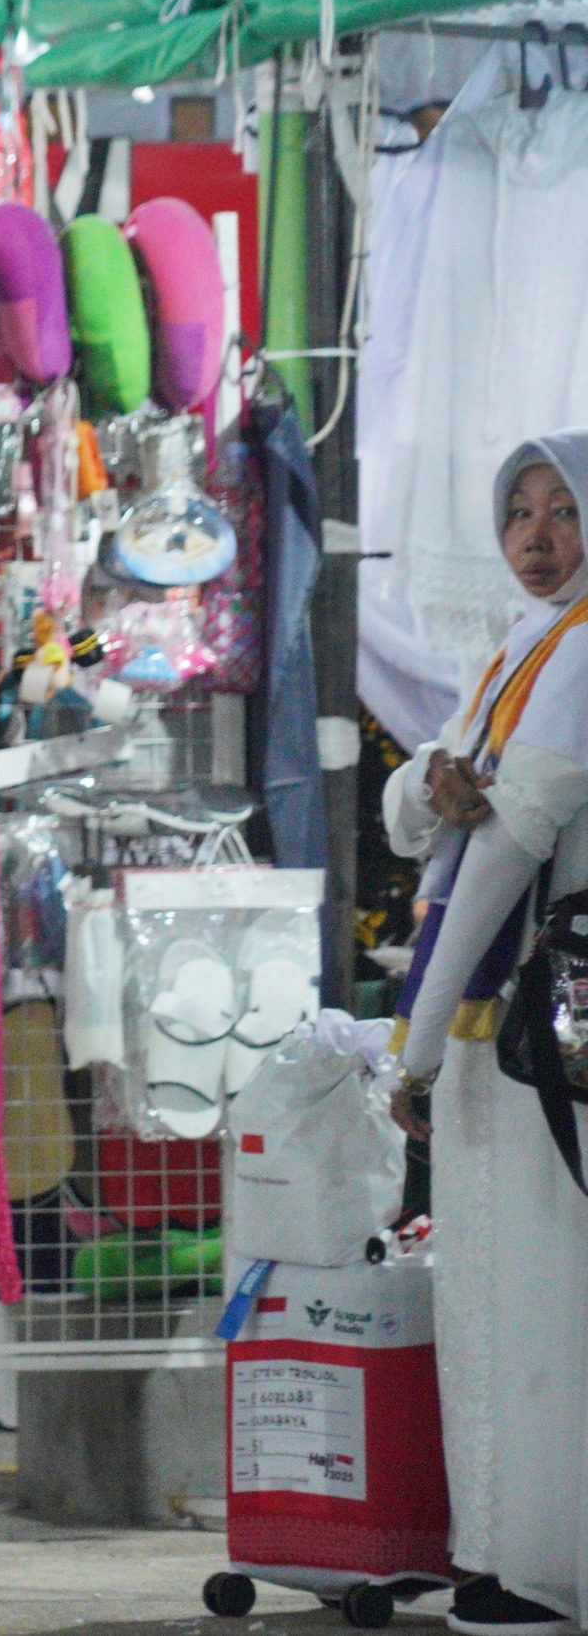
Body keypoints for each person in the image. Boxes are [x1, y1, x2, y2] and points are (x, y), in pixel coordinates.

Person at [384, 432, 588, 1636]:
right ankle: (510, 1547)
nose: (536, 536)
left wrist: (412, 1047)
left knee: (543, 1287)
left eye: (563, 509)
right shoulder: (522, 646)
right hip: (504, 1026)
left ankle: (545, 1563)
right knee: (504, 1284)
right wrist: (431, 781)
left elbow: (507, 849)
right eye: (518, 511)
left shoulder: (579, 651)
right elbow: (428, 813)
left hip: (537, 1030)